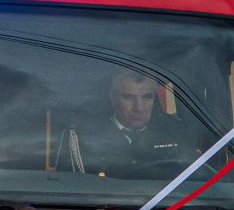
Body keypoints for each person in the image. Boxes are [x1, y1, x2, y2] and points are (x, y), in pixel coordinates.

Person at [61, 71, 202, 179]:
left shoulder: (175, 132)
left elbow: (194, 182)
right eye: (128, 97)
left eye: (147, 97)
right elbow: (70, 186)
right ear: (112, 97)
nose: (139, 108)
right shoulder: (84, 136)